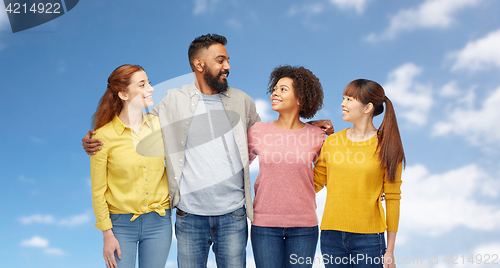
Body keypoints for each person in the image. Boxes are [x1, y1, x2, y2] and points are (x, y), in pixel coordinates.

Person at [82, 34, 334, 268]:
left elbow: (273, 133)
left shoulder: (242, 102)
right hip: (189, 216)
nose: (228, 66)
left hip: (233, 217)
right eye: (220, 60)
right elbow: (136, 125)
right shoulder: (173, 100)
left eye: (228, 60)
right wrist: (95, 136)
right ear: (199, 64)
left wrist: (307, 125)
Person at [314, 79, 405, 268]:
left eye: (349, 99)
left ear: (367, 108)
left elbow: (393, 198)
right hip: (331, 236)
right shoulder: (331, 142)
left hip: (370, 239)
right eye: (343, 98)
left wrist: (390, 250)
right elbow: (313, 183)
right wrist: (306, 129)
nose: (342, 103)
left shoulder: (387, 146)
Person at [90, 65, 171, 268]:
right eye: (142, 84)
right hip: (120, 226)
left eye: (149, 82)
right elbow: (98, 190)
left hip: (159, 222)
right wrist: (107, 234)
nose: (150, 88)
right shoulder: (102, 137)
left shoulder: (161, 126)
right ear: (123, 94)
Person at [247, 65, 326, 268]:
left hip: (304, 226)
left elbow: (329, 173)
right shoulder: (258, 131)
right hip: (264, 224)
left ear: (300, 99)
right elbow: (236, 166)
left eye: (283, 89)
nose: (275, 92)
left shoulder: (317, 135)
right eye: (274, 88)